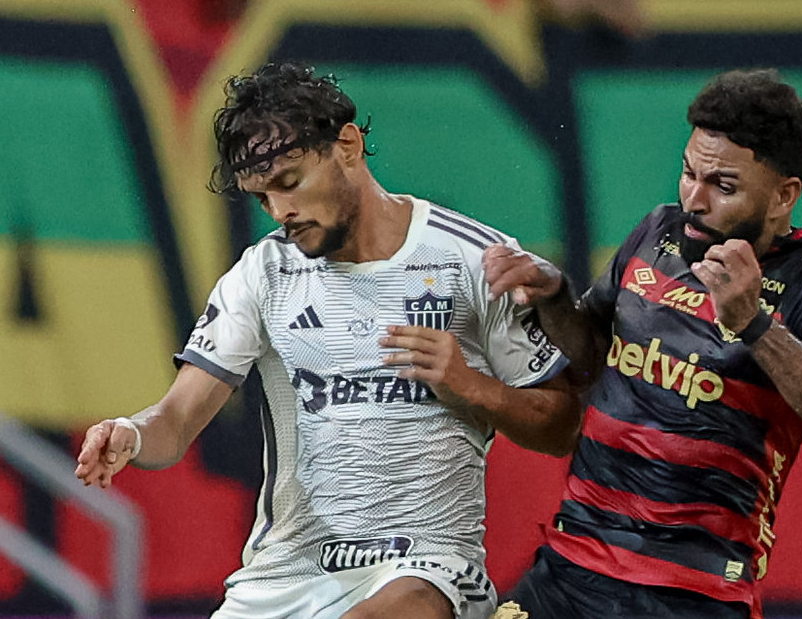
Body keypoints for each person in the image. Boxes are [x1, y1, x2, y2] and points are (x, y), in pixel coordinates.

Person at [74, 61, 581, 619]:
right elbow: (176, 420)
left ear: (347, 145)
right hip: (285, 574)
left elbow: (560, 426)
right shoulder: (263, 274)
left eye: (290, 183)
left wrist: (470, 387)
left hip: (427, 570)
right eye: (262, 197)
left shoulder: (472, 260)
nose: (281, 211)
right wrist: (132, 433)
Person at [482, 68, 802, 619]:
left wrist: (755, 326)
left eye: (723, 187)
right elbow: (592, 356)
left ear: (784, 195)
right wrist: (555, 296)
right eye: (688, 173)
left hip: (694, 594)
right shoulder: (658, 232)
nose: (694, 198)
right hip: (571, 569)